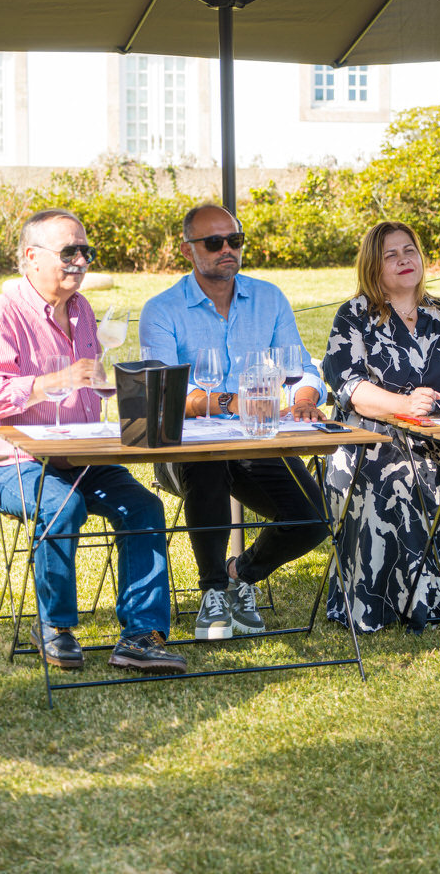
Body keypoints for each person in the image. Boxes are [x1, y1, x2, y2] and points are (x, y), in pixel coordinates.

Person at [0, 208, 186, 674]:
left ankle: (140, 637)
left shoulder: (82, 310)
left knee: (145, 507)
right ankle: (54, 626)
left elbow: (88, 383)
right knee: (62, 507)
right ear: (32, 257)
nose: (81, 261)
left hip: (80, 457)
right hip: (10, 464)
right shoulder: (0, 316)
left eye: (86, 251)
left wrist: (115, 385)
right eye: (69, 252)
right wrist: (50, 382)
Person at [139, 203, 329, 641]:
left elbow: (301, 368)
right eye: (214, 242)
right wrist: (232, 402)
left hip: (255, 440)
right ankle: (212, 593)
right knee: (208, 464)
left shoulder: (269, 298)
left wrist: (303, 399)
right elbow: (163, 395)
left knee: (313, 519)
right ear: (188, 250)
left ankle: (239, 574)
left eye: (235, 240)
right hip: (183, 448)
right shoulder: (162, 309)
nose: (227, 249)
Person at [322, 220, 440, 634]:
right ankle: (391, 605)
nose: (404, 259)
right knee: (401, 480)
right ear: (374, 265)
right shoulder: (354, 315)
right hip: (374, 438)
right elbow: (350, 387)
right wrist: (403, 405)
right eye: (391, 254)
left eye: (410, 251)